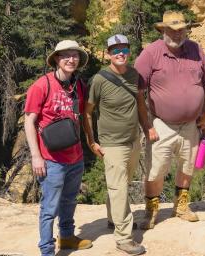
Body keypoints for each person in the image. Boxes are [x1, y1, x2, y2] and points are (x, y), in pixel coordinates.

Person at [134, 10, 205, 228]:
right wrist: (146, 124)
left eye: (181, 30)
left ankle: (181, 206)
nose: (177, 34)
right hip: (162, 124)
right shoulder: (150, 53)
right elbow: (138, 91)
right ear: (163, 30)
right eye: (172, 30)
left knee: (187, 166)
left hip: (191, 124)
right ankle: (151, 210)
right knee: (156, 169)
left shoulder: (196, 50)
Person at [24, 40, 91, 255]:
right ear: (56, 59)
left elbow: (83, 117)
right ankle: (46, 249)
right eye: (65, 55)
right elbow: (29, 121)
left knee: (69, 200)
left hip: (75, 156)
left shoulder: (79, 86)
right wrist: (36, 156)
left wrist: (90, 141)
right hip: (51, 159)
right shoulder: (41, 85)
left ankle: (67, 237)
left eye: (75, 55)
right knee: (49, 207)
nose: (71, 59)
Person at [81, 34, 146, 254]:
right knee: (118, 188)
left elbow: (140, 104)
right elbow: (87, 113)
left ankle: (113, 219)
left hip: (133, 139)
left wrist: (147, 130)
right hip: (112, 143)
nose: (121, 54)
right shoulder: (100, 79)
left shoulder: (134, 75)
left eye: (125, 50)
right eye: (116, 50)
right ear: (108, 54)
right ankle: (124, 238)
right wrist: (92, 140)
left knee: (122, 184)